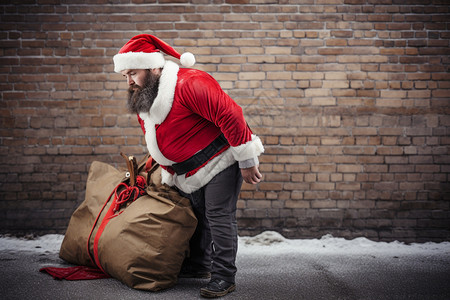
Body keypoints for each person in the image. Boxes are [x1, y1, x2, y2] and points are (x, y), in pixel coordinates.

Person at [113, 34, 264, 298]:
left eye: (133, 73)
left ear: (154, 67)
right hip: (186, 171)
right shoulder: (145, 96)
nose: (129, 81)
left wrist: (247, 161)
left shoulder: (190, 83)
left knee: (218, 216)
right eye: (125, 75)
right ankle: (199, 266)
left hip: (222, 159)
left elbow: (231, 114)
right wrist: (159, 163)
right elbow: (159, 135)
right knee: (196, 217)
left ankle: (223, 277)